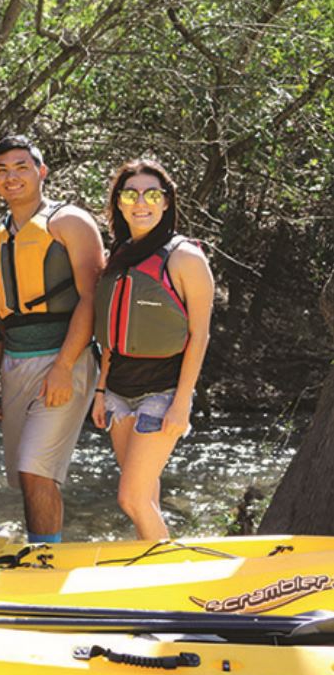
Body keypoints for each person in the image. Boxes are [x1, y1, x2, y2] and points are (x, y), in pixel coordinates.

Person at [0, 135, 103, 544]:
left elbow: (92, 298)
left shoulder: (70, 222)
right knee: (25, 477)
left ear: (41, 172)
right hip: (16, 362)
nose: (11, 177)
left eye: (21, 167)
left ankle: (47, 566)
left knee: (37, 468)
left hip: (65, 359)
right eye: (2, 170)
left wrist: (65, 367)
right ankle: (38, 554)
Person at [91, 158, 213, 539]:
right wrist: (99, 390)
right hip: (118, 394)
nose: (140, 202)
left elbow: (200, 336)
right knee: (146, 497)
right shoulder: (119, 256)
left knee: (131, 499)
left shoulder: (185, 258)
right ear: (119, 203)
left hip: (161, 394)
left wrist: (182, 402)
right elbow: (112, 334)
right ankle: (151, 570)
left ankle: (170, 577)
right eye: (130, 194)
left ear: (166, 203)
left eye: (151, 194)